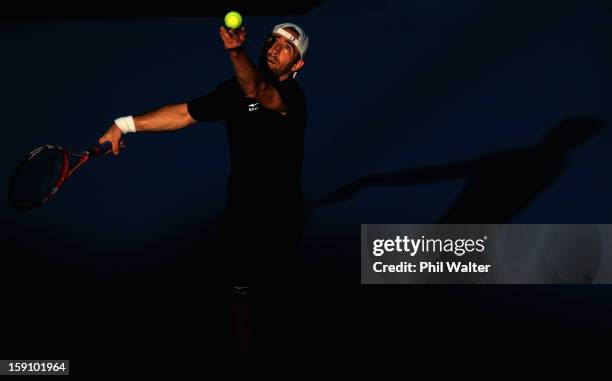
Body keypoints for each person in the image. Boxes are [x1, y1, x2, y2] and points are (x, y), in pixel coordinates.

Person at [98, 23, 310, 357]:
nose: (274, 48)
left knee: (267, 294)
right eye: (273, 40)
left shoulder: (292, 99)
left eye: (287, 47)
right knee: (236, 291)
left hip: (279, 216)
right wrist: (123, 125)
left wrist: (234, 51)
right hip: (241, 210)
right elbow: (183, 113)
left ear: (296, 65)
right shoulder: (233, 92)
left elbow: (257, 92)